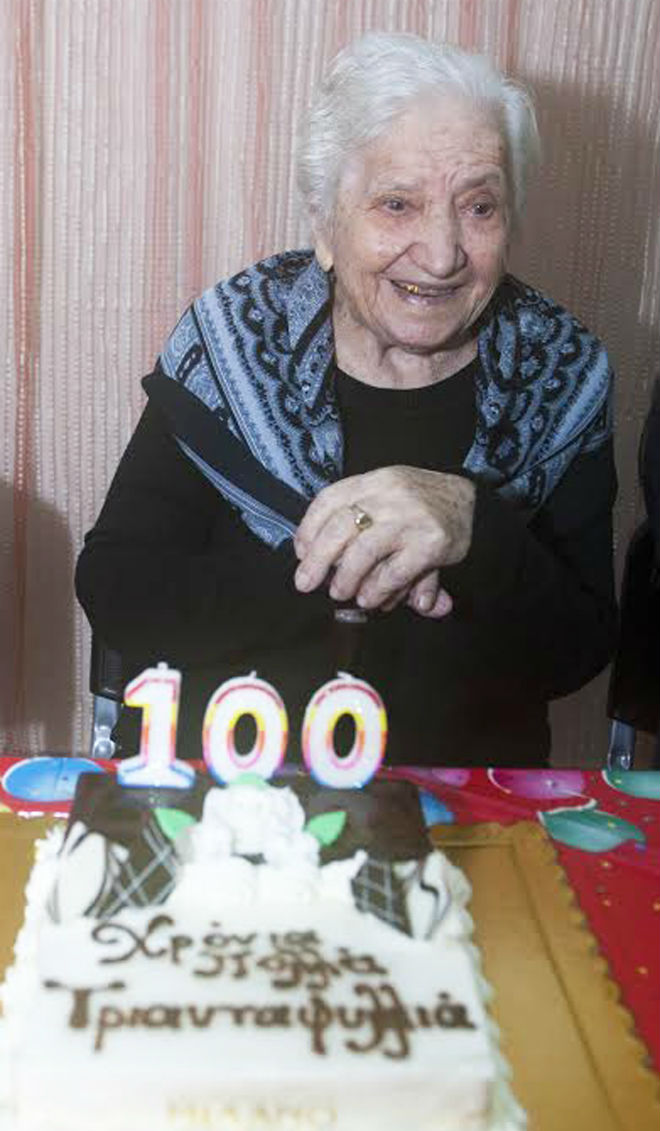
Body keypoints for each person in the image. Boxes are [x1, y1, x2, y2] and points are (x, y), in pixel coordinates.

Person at [76, 31, 617, 767]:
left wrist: (475, 528)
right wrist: (339, 563)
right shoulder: (234, 342)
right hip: (224, 792)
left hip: (461, 799)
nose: (442, 253)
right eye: (397, 204)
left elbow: (577, 652)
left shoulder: (563, 373)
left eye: (479, 207)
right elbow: (120, 592)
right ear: (326, 223)